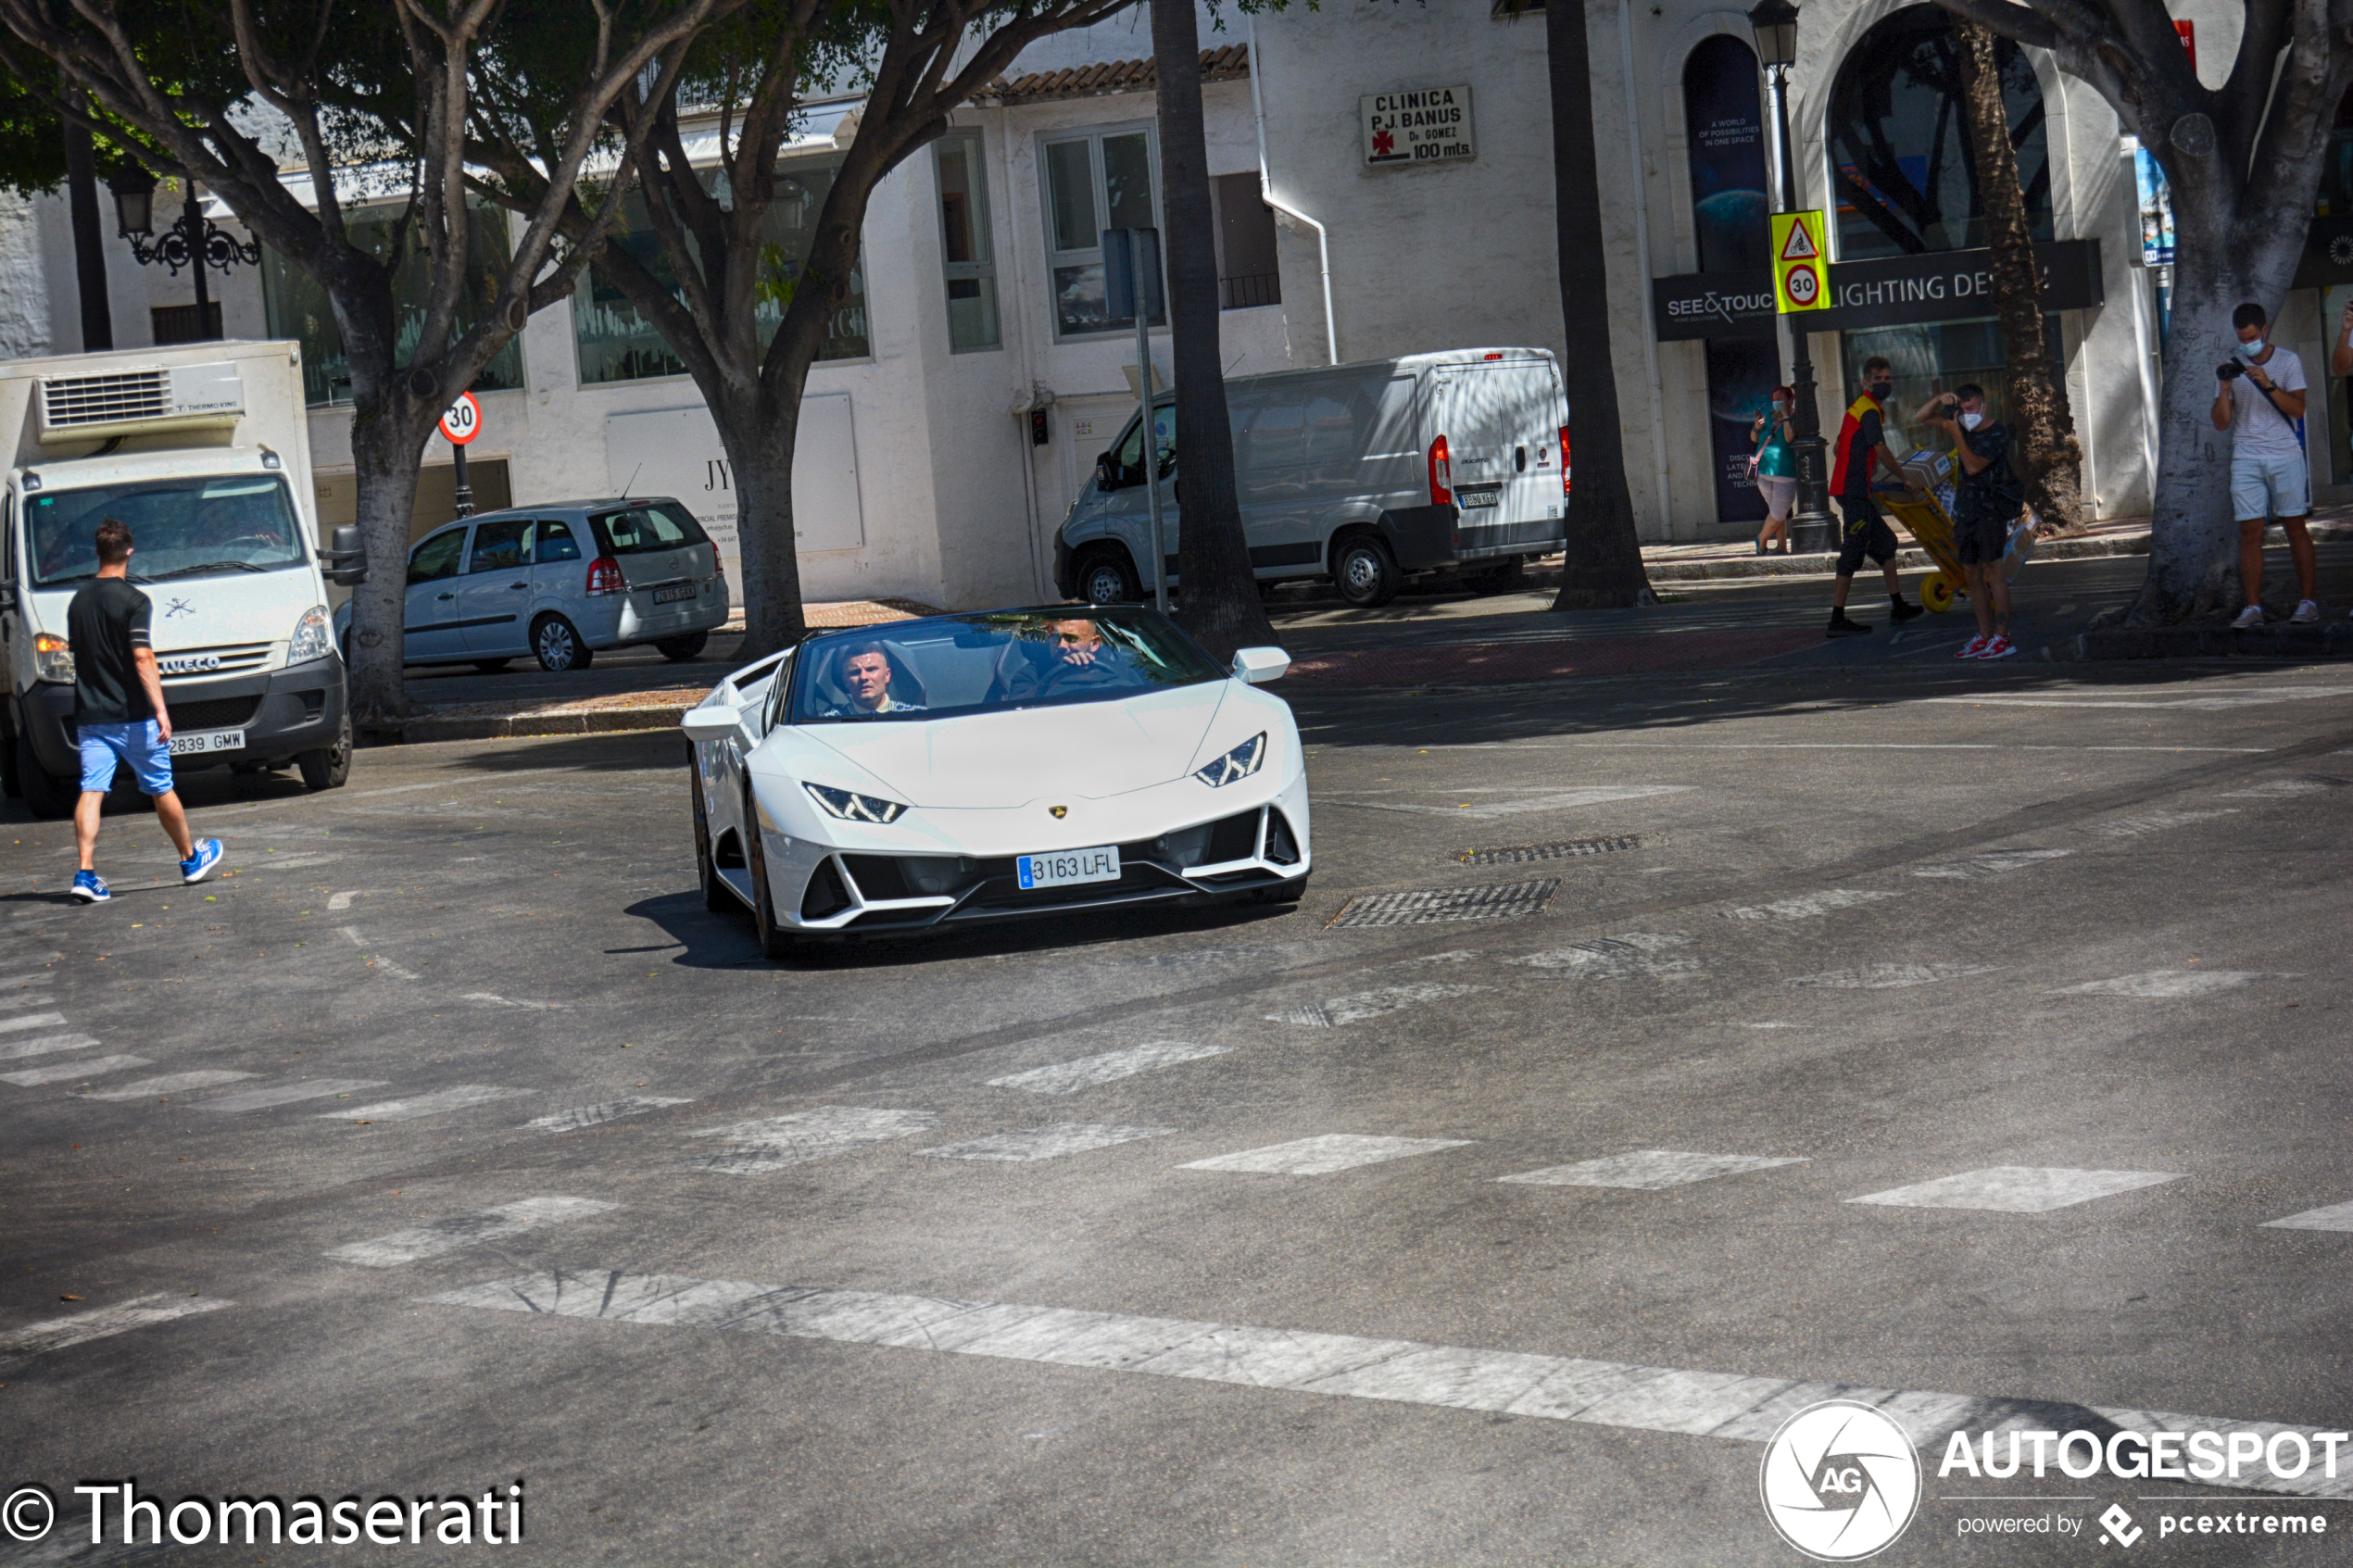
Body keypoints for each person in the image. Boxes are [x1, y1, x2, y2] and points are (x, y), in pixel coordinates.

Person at [65, 519, 222, 903]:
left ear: (98, 553)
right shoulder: (135, 601)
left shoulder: (78, 601)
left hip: (92, 717)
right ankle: (190, 861)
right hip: (134, 718)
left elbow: (80, 658)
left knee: (92, 789)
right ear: (130, 552)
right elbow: (142, 657)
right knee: (160, 787)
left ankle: (85, 873)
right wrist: (161, 710)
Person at [2215, 301, 2317, 626]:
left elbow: (2298, 410)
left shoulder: (2288, 361)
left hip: (2285, 453)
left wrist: (2268, 383)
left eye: (2251, 338)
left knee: (2295, 527)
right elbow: (2220, 423)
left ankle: (2309, 602)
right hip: (2246, 455)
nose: (2246, 345)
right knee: (2250, 532)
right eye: (2241, 339)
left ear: (2264, 330)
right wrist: (2224, 390)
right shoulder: (2233, 365)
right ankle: (2253, 607)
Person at [1921, 385, 2025, 659]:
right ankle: (1984, 635)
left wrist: (1957, 436)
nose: (1966, 415)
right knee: (1970, 573)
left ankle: (2003, 637)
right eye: (1962, 410)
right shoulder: (1961, 427)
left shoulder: (1997, 433)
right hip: (1966, 509)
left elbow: (1973, 466)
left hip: (1990, 509)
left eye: (1970, 409)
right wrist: (1937, 401)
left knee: (1993, 570)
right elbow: (1920, 419)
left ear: (1983, 407)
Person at [1825, 356, 1926, 637]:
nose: (1884, 384)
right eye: (1878, 380)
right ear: (1865, 382)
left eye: (1888, 379)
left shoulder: (1860, 409)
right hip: (1852, 491)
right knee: (1852, 554)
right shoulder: (1868, 410)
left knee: (1887, 543)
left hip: (1855, 489)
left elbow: (1837, 447)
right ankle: (1837, 620)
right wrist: (1904, 478)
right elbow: (1880, 449)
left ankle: (1898, 607)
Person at [1750, 387, 1797, 556]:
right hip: (1763, 470)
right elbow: (1755, 438)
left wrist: (1784, 417)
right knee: (1777, 512)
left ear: (1790, 400)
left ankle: (1761, 539)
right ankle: (1781, 547)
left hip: (1784, 472)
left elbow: (1789, 438)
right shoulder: (1768, 418)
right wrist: (1756, 427)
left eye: (1781, 399)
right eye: (1774, 399)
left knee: (1778, 512)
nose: (1777, 402)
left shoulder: (1794, 417)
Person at [823, 642, 924, 717]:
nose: (864, 677)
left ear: (887, 675)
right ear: (845, 681)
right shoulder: (829, 722)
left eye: (871, 669)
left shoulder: (916, 717)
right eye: (855, 672)